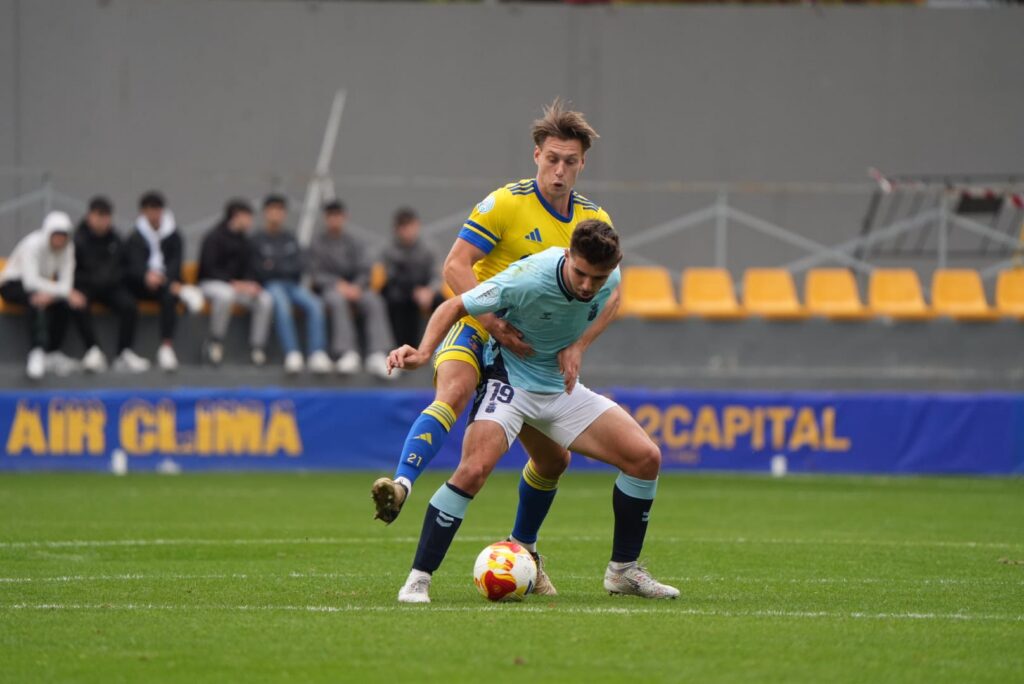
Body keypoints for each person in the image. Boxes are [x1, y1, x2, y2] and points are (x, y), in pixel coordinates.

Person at [371, 100, 620, 597]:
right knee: (455, 392)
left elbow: (612, 292)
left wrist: (578, 344)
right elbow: (454, 266)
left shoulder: (592, 220)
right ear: (536, 156)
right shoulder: (506, 202)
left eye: (570, 161)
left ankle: (524, 548)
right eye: (552, 158)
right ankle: (401, 485)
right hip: (480, 328)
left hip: (529, 355)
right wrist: (491, 323)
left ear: (582, 164)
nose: (559, 170)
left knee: (553, 463)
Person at [387, 221, 678, 603]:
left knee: (645, 458)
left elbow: (612, 298)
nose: (589, 286)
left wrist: (579, 346)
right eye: (581, 274)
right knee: (473, 470)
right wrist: (424, 353)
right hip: (509, 385)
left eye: (598, 277)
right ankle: (418, 579)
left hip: (560, 389)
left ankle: (623, 572)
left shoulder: (609, 277)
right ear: (568, 256)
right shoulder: (527, 278)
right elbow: (455, 304)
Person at [309, 200, 394, 378]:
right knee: (337, 301)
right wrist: (337, 285)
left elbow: (365, 269)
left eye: (338, 215)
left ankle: (377, 353)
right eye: (331, 216)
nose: (335, 220)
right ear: (326, 219)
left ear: (344, 217)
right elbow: (316, 274)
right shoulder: (317, 243)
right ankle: (346, 352)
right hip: (330, 289)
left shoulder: (355, 242)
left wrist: (357, 286)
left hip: (356, 288)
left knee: (373, 300)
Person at [124, 191, 204, 372]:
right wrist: (146, 275)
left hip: (166, 283)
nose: (154, 214)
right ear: (143, 212)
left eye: (157, 209)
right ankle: (125, 351)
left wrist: (164, 280)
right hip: (141, 284)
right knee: (127, 303)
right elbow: (132, 265)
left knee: (169, 297)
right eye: (149, 210)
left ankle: (166, 347)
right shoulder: (135, 237)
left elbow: (176, 264)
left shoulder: (174, 236)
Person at [250, 194, 331, 374]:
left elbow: (299, 265)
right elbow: (259, 270)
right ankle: (292, 352)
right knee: (281, 304)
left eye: (280, 211)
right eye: (273, 210)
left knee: (315, 304)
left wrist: (274, 265)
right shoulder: (256, 239)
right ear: (265, 213)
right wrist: (277, 268)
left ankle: (316, 352)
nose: (277, 215)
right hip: (269, 285)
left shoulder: (290, 237)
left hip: (292, 285)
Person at [71, 196, 150, 374]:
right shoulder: (78, 239)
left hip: (110, 287)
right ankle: (93, 350)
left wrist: (111, 279)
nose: (103, 221)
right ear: (89, 216)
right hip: (86, 286)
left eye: (106, 216)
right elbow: (74, 269)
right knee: (78, 304)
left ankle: (124, 353)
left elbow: (122, 266)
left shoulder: (116, 239)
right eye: (99, 216)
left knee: (129, 305)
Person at [0, 211, 79, 379]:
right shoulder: (32, 244)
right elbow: (30, 282)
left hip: (44, 288)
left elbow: (67, 285)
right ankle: (36, 351)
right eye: (56, 235)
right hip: (12, 284)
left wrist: (52, 295)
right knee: (35, 301)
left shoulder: (69, 249)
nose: (59, 240)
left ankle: (52, 352)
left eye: (63, 236)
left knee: (64, 305)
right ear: (48, 233)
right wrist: (58, 292)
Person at [197, 198, 273, 366]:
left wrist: (250, 284)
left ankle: (257, 347)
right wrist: (233, 283)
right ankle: (215, 342)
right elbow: (208, 269)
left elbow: (250, 269)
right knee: (225, 295)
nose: (250, 222)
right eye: (248, 217)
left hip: (236, 287)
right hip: (210, 284)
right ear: (236, 216)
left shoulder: (246, 242)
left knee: (264, 299)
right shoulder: (213, 237)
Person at [380, 207, 445, 348]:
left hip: (426, 291)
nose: (406, 232)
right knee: (395, 301)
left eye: (409, 226)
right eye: (402, 227)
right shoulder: (389, 249)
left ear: (417, 225)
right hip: (401, 292)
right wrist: (414, 291)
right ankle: (399, 346)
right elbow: (391, 277)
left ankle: (443, 346)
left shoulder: (429, 248)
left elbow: (436, 274)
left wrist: (429, 291)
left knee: (443, 304)